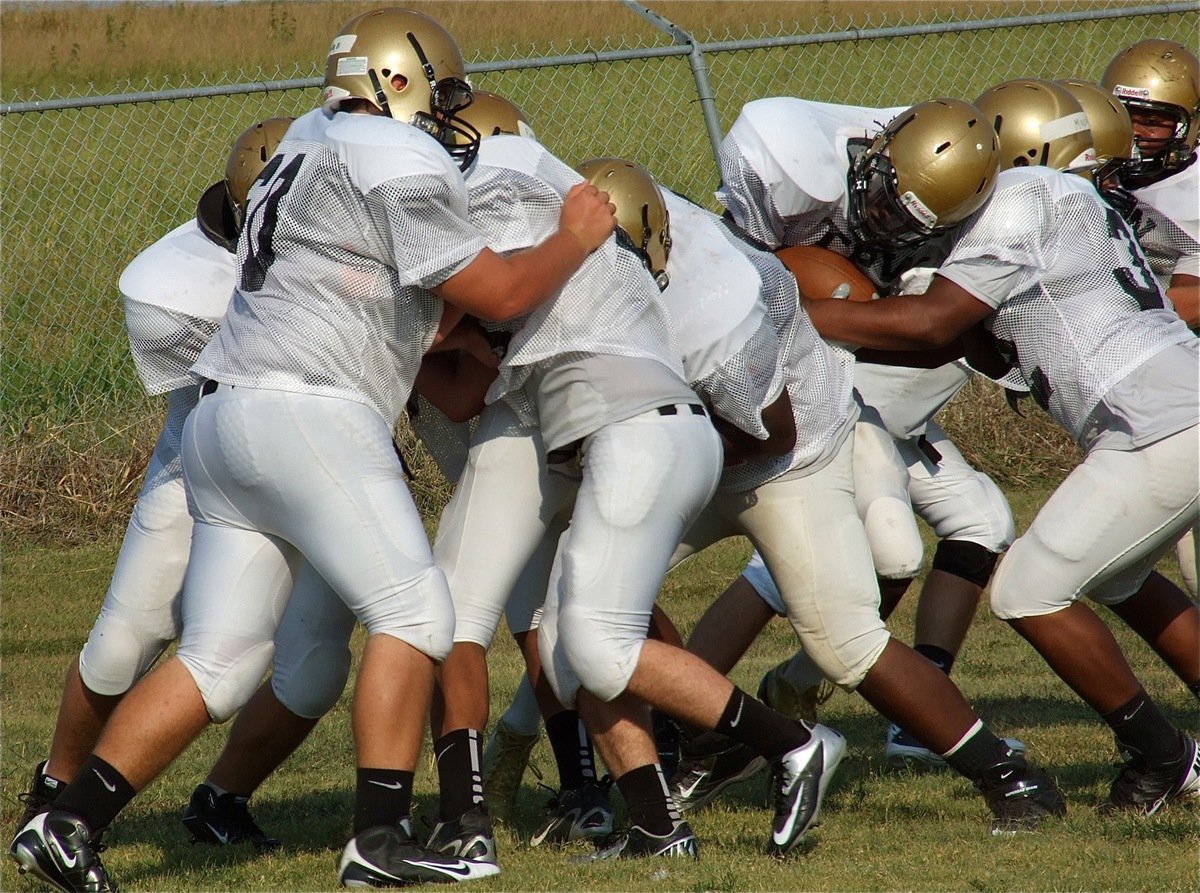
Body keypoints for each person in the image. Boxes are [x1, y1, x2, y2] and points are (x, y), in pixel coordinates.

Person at [8, 9, 619, 892]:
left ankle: (67, 824)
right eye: (440, 93)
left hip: (220, 419)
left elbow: (374, 287)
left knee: (220, 654)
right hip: (310, 411)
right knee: (416, 613)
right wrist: (575, 236)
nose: (449, 113)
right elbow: (506, 288)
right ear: (395, 85)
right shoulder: (396, 157)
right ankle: (378, 835)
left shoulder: (303, 139)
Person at [426, 101, 840, 865]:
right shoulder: (561, 231)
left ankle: (791, 744)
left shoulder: (522, 199)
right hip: (609, 428)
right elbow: (467, 364)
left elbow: (456, 312)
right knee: (568, 642)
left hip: (638, 426)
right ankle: (655, 823)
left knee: (597, 642)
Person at [805, 77, 1200, 816]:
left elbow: (929, 325)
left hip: (1156, 421)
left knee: (1026, 589)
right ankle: (1168, 755)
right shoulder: (1069, 202)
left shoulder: (1025, 198)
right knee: (1119, 579)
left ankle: (1162, 756)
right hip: (1167, 411)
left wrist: (804, 314)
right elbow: (952, 345)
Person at [11, 117, 358, 855]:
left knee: (315, 662)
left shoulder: (354, 240)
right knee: (125, 641)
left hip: (324, 457)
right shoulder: (181, 282)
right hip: (204, 453)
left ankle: (220, 798)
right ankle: (55, 792)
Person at [708, 94, 1024, 770]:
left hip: (875, 374)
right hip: (807, 371)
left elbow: (941, 337)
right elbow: (748, 276)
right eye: (882, 199)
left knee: (979, 522)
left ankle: (838, 695)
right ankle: (682, 715)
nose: (881, 220)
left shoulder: (995, 220)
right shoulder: (793, 156)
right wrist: (819, 311)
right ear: (880, 149)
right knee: (826, 551)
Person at [1101, 40, 1200, 598]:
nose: (1137, 132)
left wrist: (1108, 307)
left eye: (1155, 121)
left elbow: (1194, 299)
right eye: (1126, 116)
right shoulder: (1101, 176)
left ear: (1185, 127)